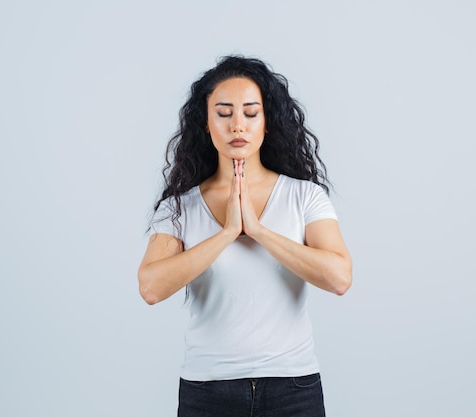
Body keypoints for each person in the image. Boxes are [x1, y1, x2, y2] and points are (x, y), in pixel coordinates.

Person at [138, 55, 352, 417]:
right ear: (206, 123)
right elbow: (151, 287)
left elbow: (339, 278)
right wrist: (226, 234)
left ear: (267, 123)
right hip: (208, 390)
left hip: (293, 388)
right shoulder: (180, 207)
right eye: (224, 114)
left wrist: (258, 231)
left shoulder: (304, 197)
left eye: (251, 113)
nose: (238, 125)